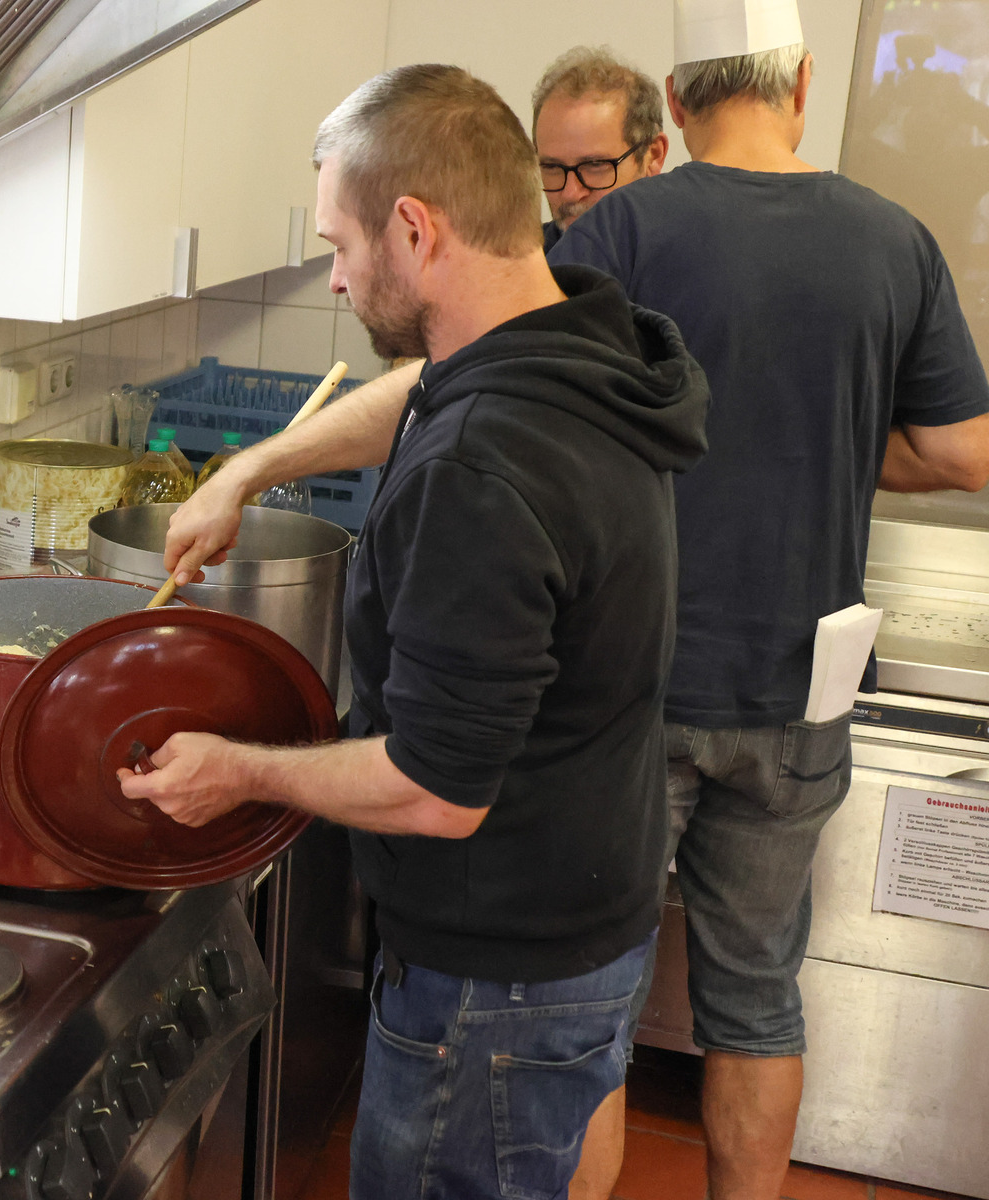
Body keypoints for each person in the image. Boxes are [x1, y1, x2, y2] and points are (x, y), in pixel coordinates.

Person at [121, 63, 709, 1198]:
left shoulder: (482, 474)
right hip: (584, 907)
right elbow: (427, 387)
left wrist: (238, 771)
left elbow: (439, 790)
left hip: (496, 983)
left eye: (341, 247)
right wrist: (247, 469)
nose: (338, 278)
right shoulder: (582, 339)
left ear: (414, 227)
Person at [549, 0, 989, 1194]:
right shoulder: (895, 240)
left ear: (675, 104)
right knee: (756, 999)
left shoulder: (621, 229)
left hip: (634, 690)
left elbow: (535, 420)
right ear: (800, 86)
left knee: (591, 1002)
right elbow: (963, 454)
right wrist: (829, 438)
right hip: (800, 695)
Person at [532, 46, 670, 250]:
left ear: (653, 155)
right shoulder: (515, 263)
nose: (570, 194)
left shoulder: (694, 256)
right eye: (552, 167)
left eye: (594, 165)